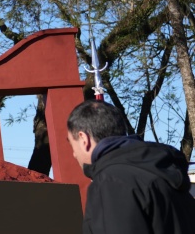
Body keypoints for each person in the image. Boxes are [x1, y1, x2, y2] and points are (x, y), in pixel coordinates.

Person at [66, 100, 195, 234]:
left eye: (72, 144)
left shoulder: (111, 181)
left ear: (83, 139)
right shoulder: (168, 173)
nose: (74, 154)